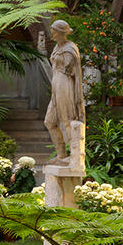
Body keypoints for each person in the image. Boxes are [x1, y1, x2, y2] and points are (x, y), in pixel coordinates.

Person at [44, 20, 85, 165]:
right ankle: (61, 155)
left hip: (65, 86)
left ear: (61, 32)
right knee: (49, 121)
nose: (52, 32)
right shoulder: (57, 46)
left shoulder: (70, 48)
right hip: (56, 86)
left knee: (68, 120)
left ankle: (74, 157)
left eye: (54, 30)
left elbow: (68, 67)